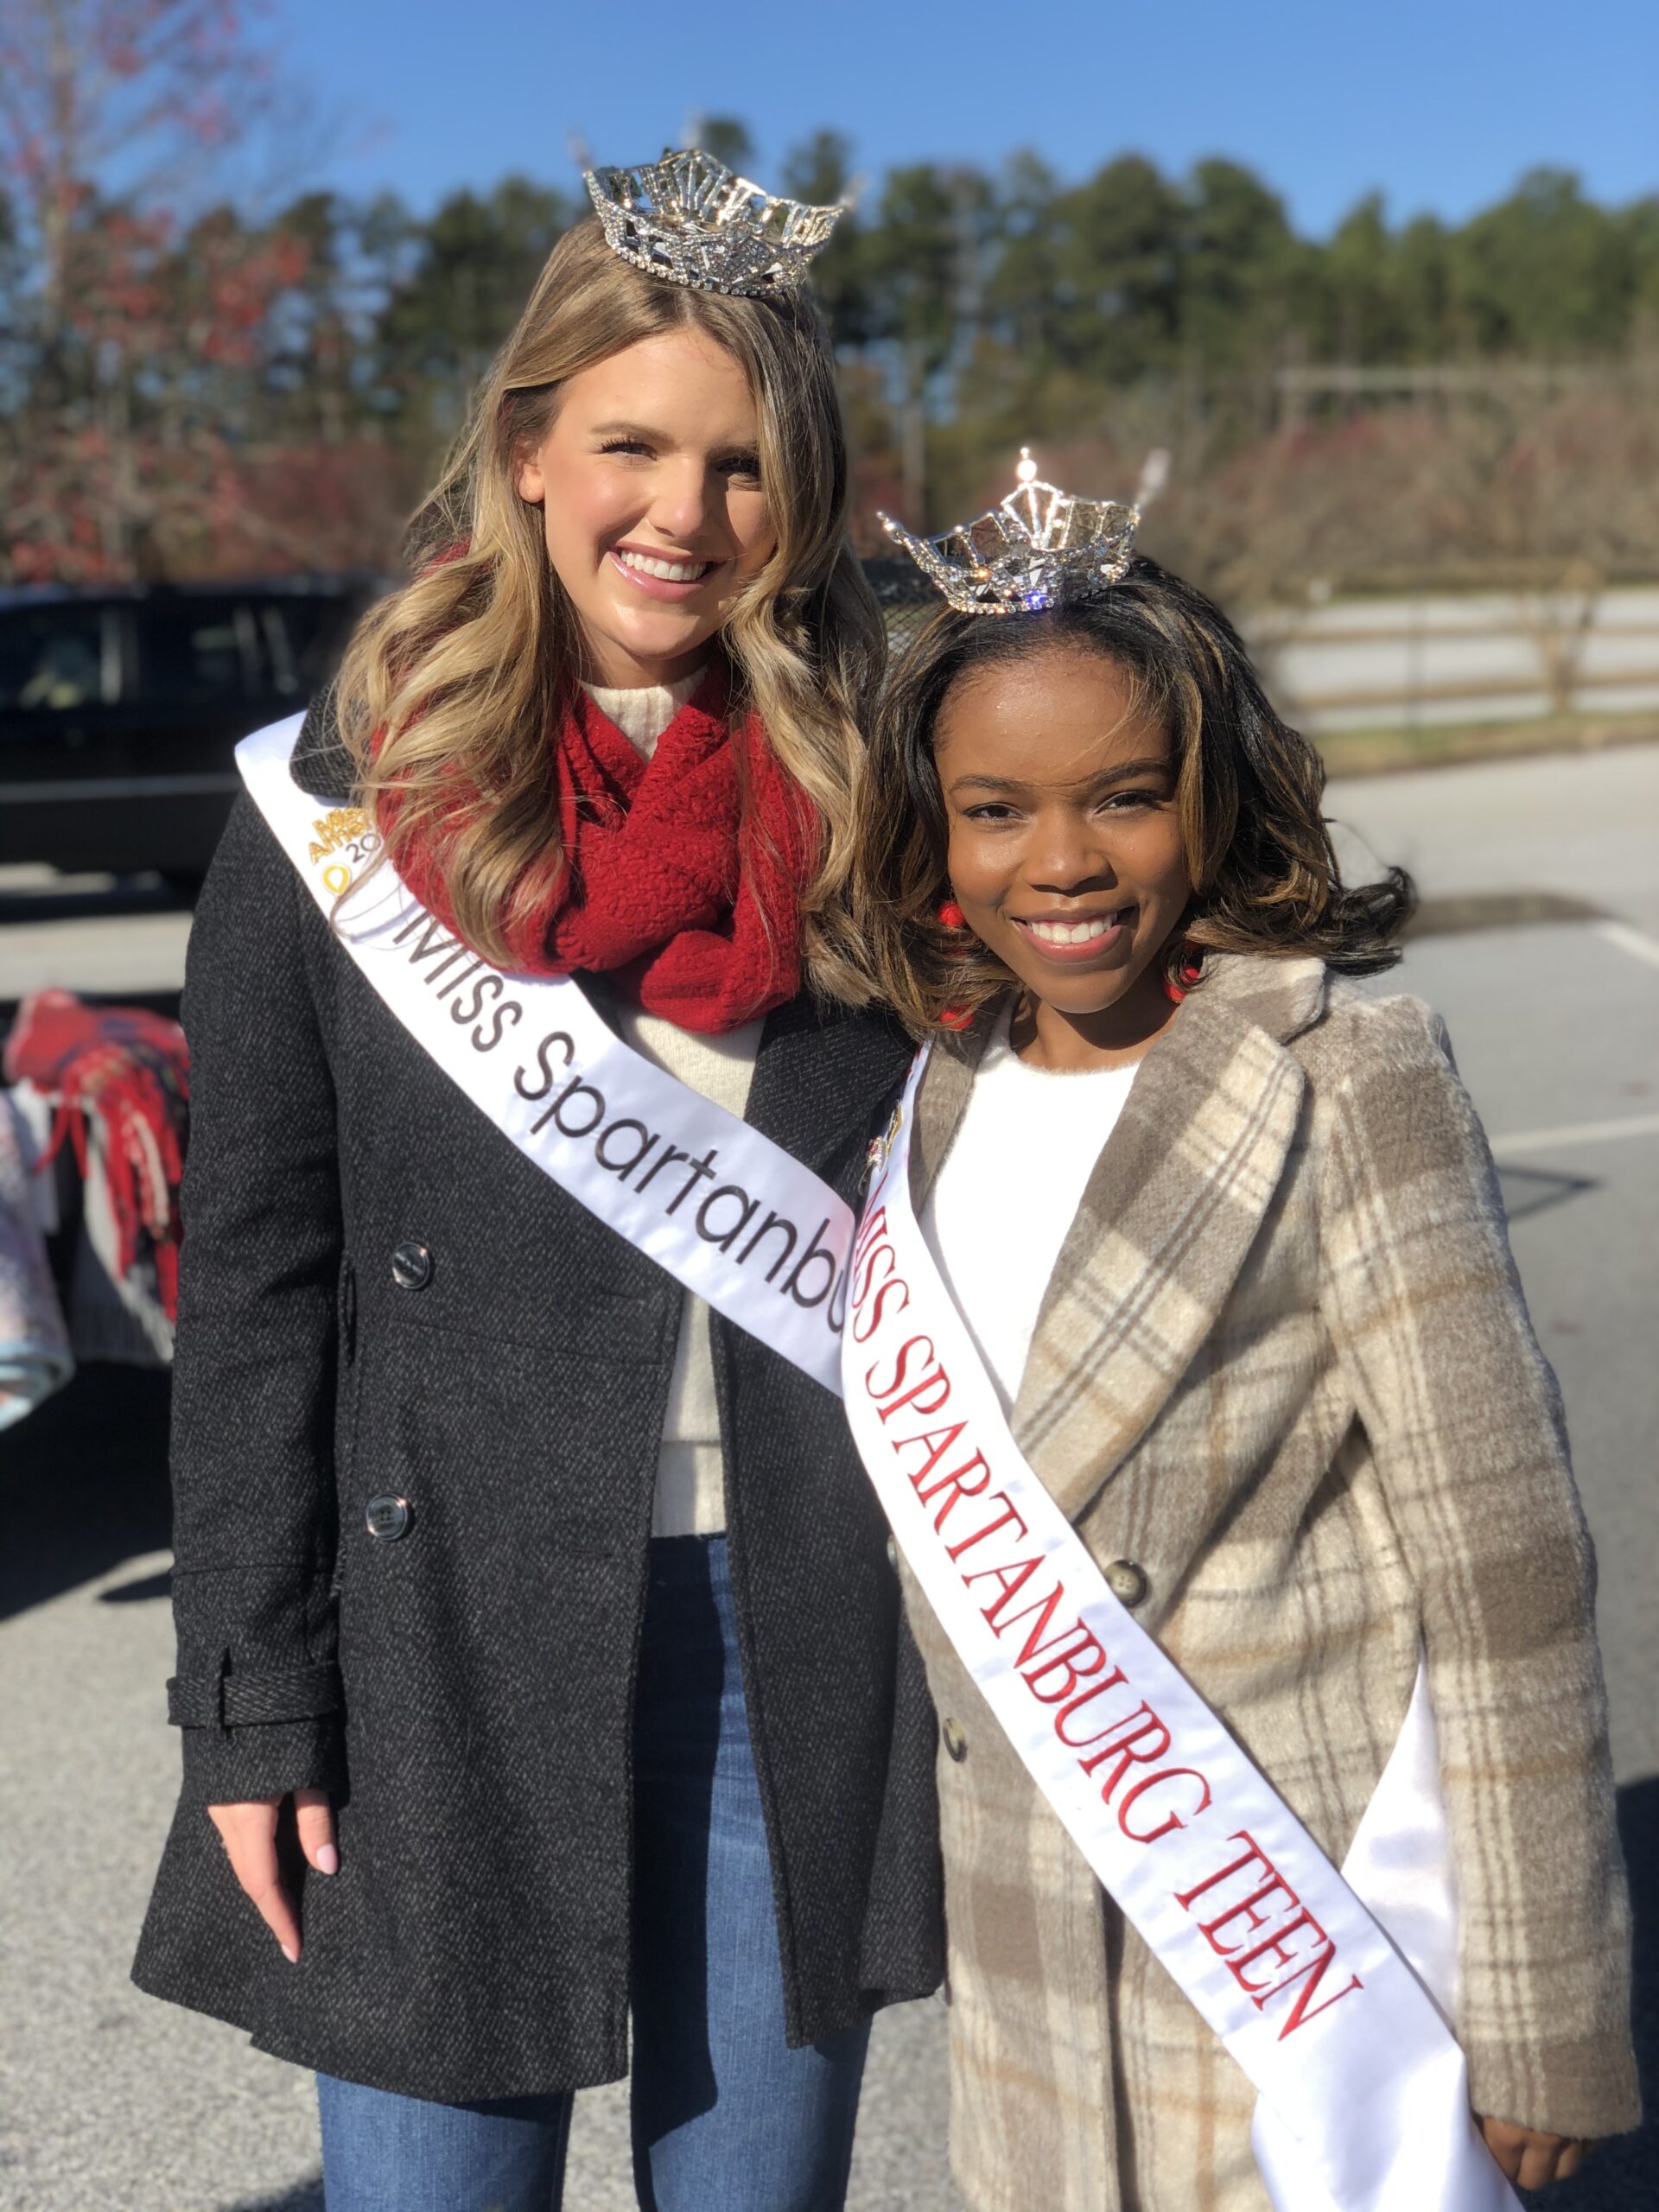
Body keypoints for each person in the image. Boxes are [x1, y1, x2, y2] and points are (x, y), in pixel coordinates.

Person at [131, 152, 942, 2212]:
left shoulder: (876, 786)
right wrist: (248, 1701)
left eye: (750, 465)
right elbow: (255, 1290)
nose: (687, 513)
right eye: (634, 444)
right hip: (429, 1646)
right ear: (524, 446)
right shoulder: (330, 803)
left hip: (788, 1628)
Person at [849, 477, 1638, 2209]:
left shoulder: (1352, 1077)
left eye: (1124, 796)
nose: (1060, 861)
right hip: (1037, 1946)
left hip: (1312, 1932)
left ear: (1211, 800)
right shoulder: (933, 1104)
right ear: (935, 832)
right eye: (996, 810)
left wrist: (1542, 2014)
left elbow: (1510, 1571)